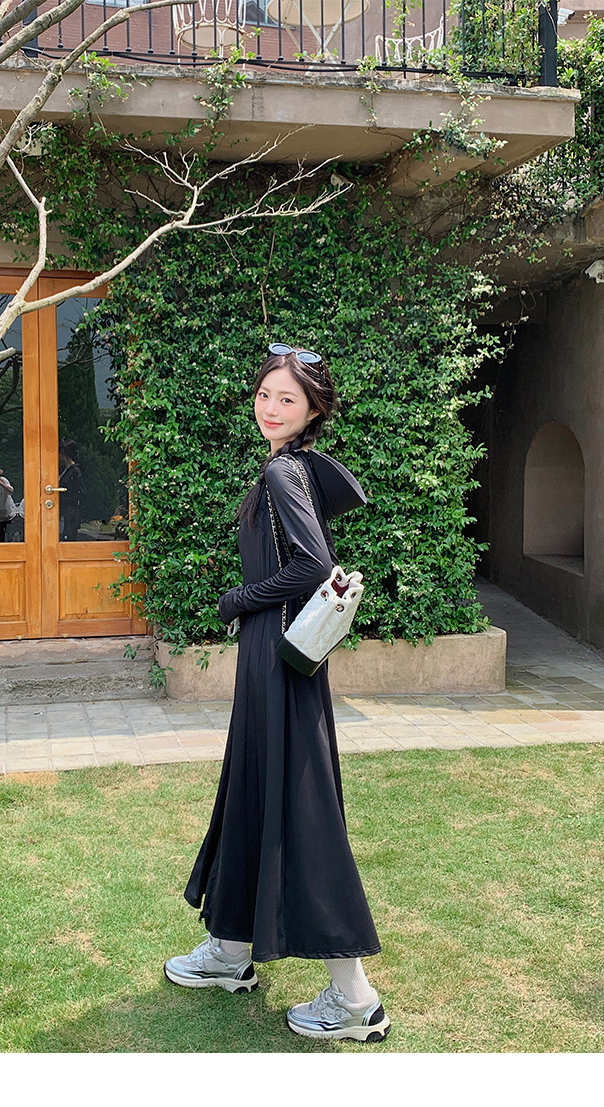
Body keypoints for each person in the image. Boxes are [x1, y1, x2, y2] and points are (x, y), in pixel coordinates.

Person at [164, 343, 390, 1044]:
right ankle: (230, 950)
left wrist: (238, 600)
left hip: (279, 658)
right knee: (255, 792)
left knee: (301, 808)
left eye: (287, 399)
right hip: (277, 657)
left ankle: (354, 999)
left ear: (313, 410)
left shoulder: (285, 470)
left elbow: (315, 565)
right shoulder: (291, 466)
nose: (270, 407)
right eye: (265, 394)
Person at [58, 439, 83, 541]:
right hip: (62, 509)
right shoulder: (63, 469)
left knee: (69, 535)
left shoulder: (75, 472)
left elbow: (77, 493)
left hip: (70, 510)